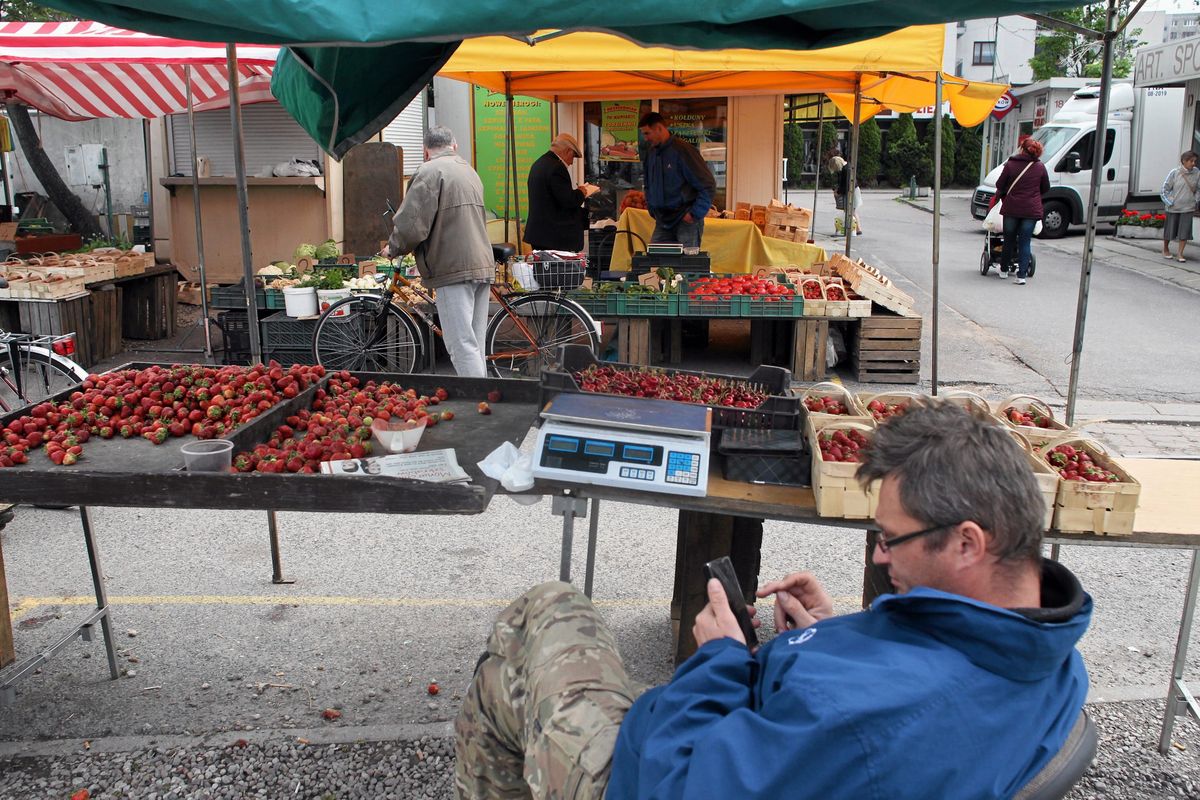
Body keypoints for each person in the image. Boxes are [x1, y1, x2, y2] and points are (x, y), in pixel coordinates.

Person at [455, 400, 1092, 800]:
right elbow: (899, 696)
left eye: (891, 539)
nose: (878, 556)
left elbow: (676, 783)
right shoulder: (1051, 653)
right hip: (786, 733)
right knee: (508, 673)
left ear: (967, 544)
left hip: (646, 770)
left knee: (542, 612)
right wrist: (824, 639)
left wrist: (720, 659)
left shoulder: (859, 717)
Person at [385, 126, 494, 377]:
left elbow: (412, 225)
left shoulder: (429, 172)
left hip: (452, 266)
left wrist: (393, 247)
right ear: (454, 146)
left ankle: (477, 405)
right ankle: (487, 396)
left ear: (425, 151)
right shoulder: (468, 170)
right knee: (475, 343)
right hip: (481, 262)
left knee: (460, 345)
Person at [637, 112, 716, 249]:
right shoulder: (651, 154)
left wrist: (694, 214)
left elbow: (708, 185)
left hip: (686, 221)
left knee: (686, 266)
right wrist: (652, 208)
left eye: (647, 133)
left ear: (659, 128)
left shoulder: (683, 151)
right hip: (662, 221)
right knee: (656, 263)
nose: (645, 138)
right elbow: (648, 184)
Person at [524, 133, 600, 252]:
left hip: (539, 235)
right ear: (568, 151)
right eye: (573, 157)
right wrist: (582, 192)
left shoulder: (539, 164)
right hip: (554, 237)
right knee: (557, 270)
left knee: (543, 269)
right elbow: (568, 201)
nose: (572, 162)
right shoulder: (557, 168)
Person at [995, 136, 1050, 285]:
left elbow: (1000, 184)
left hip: (1012, 208)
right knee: (1025, 242)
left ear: (1022, 149)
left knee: (1009, 240)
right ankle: (1021, 276)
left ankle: (1004, 270)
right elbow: (1046, 188)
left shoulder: (1011, 164)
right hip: (1030, 211)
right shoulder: (1040, 167)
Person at [1160, 149, 1200, 263]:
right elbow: (1164, 189)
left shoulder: (1197, 172)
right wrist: (1169, 202)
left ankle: (1180, 254)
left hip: (1188, 207)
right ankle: (1165, 249)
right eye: (1191, 161)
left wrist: (1195, 200)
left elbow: (1198, 189)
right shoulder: (1174, 172)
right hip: (1173, 208)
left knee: (1184, 232)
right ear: (1184, 161)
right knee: (1169, 231)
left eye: (1194, 161)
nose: (1194, 163)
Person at [830, 154, 863, 236]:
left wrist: (839, 192)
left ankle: (855, 228)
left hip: (852, 191)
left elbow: (846, 184)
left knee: (850, 210)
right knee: (852, 210)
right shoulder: (845, 167)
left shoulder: (846, 169)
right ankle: (857, 229)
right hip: (853, 190)